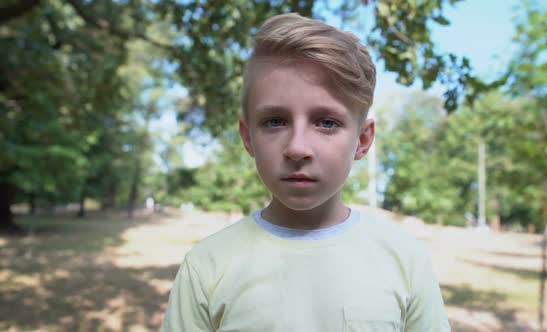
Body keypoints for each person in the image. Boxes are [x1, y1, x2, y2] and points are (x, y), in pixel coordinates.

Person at [161, 13, 450, 331]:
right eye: (275, 121)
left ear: (362, 140)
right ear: (248, 138)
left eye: (327, 122)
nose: (297, 148)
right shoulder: (207, 266)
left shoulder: (405, 261)